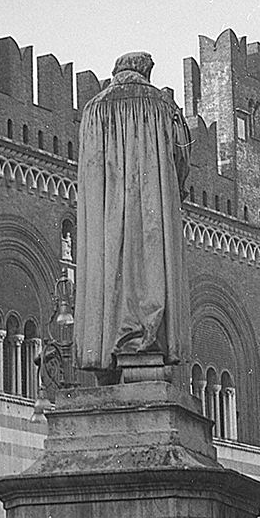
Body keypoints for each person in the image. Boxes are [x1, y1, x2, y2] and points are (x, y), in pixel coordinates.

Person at [73, 52, 193, 377]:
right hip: (151, 206)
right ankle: (148, 336)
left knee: (110, 267)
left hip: (106, 212)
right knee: (148, 262)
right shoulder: (163, 106)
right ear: (146, 72)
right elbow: (182, 157)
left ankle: (106, 345)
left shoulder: (93, 109)